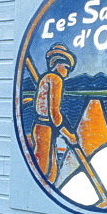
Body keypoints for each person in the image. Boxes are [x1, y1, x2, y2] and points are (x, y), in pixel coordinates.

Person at [32, 44, 78, 183]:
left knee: (52, 172)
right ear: (58, 63)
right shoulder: (55, 79)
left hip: (42, 127)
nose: (67, 72)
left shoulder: (45, 78)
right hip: (45, 128)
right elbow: (54, 113)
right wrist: (68, 135)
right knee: (43, 170)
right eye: (67, 67)